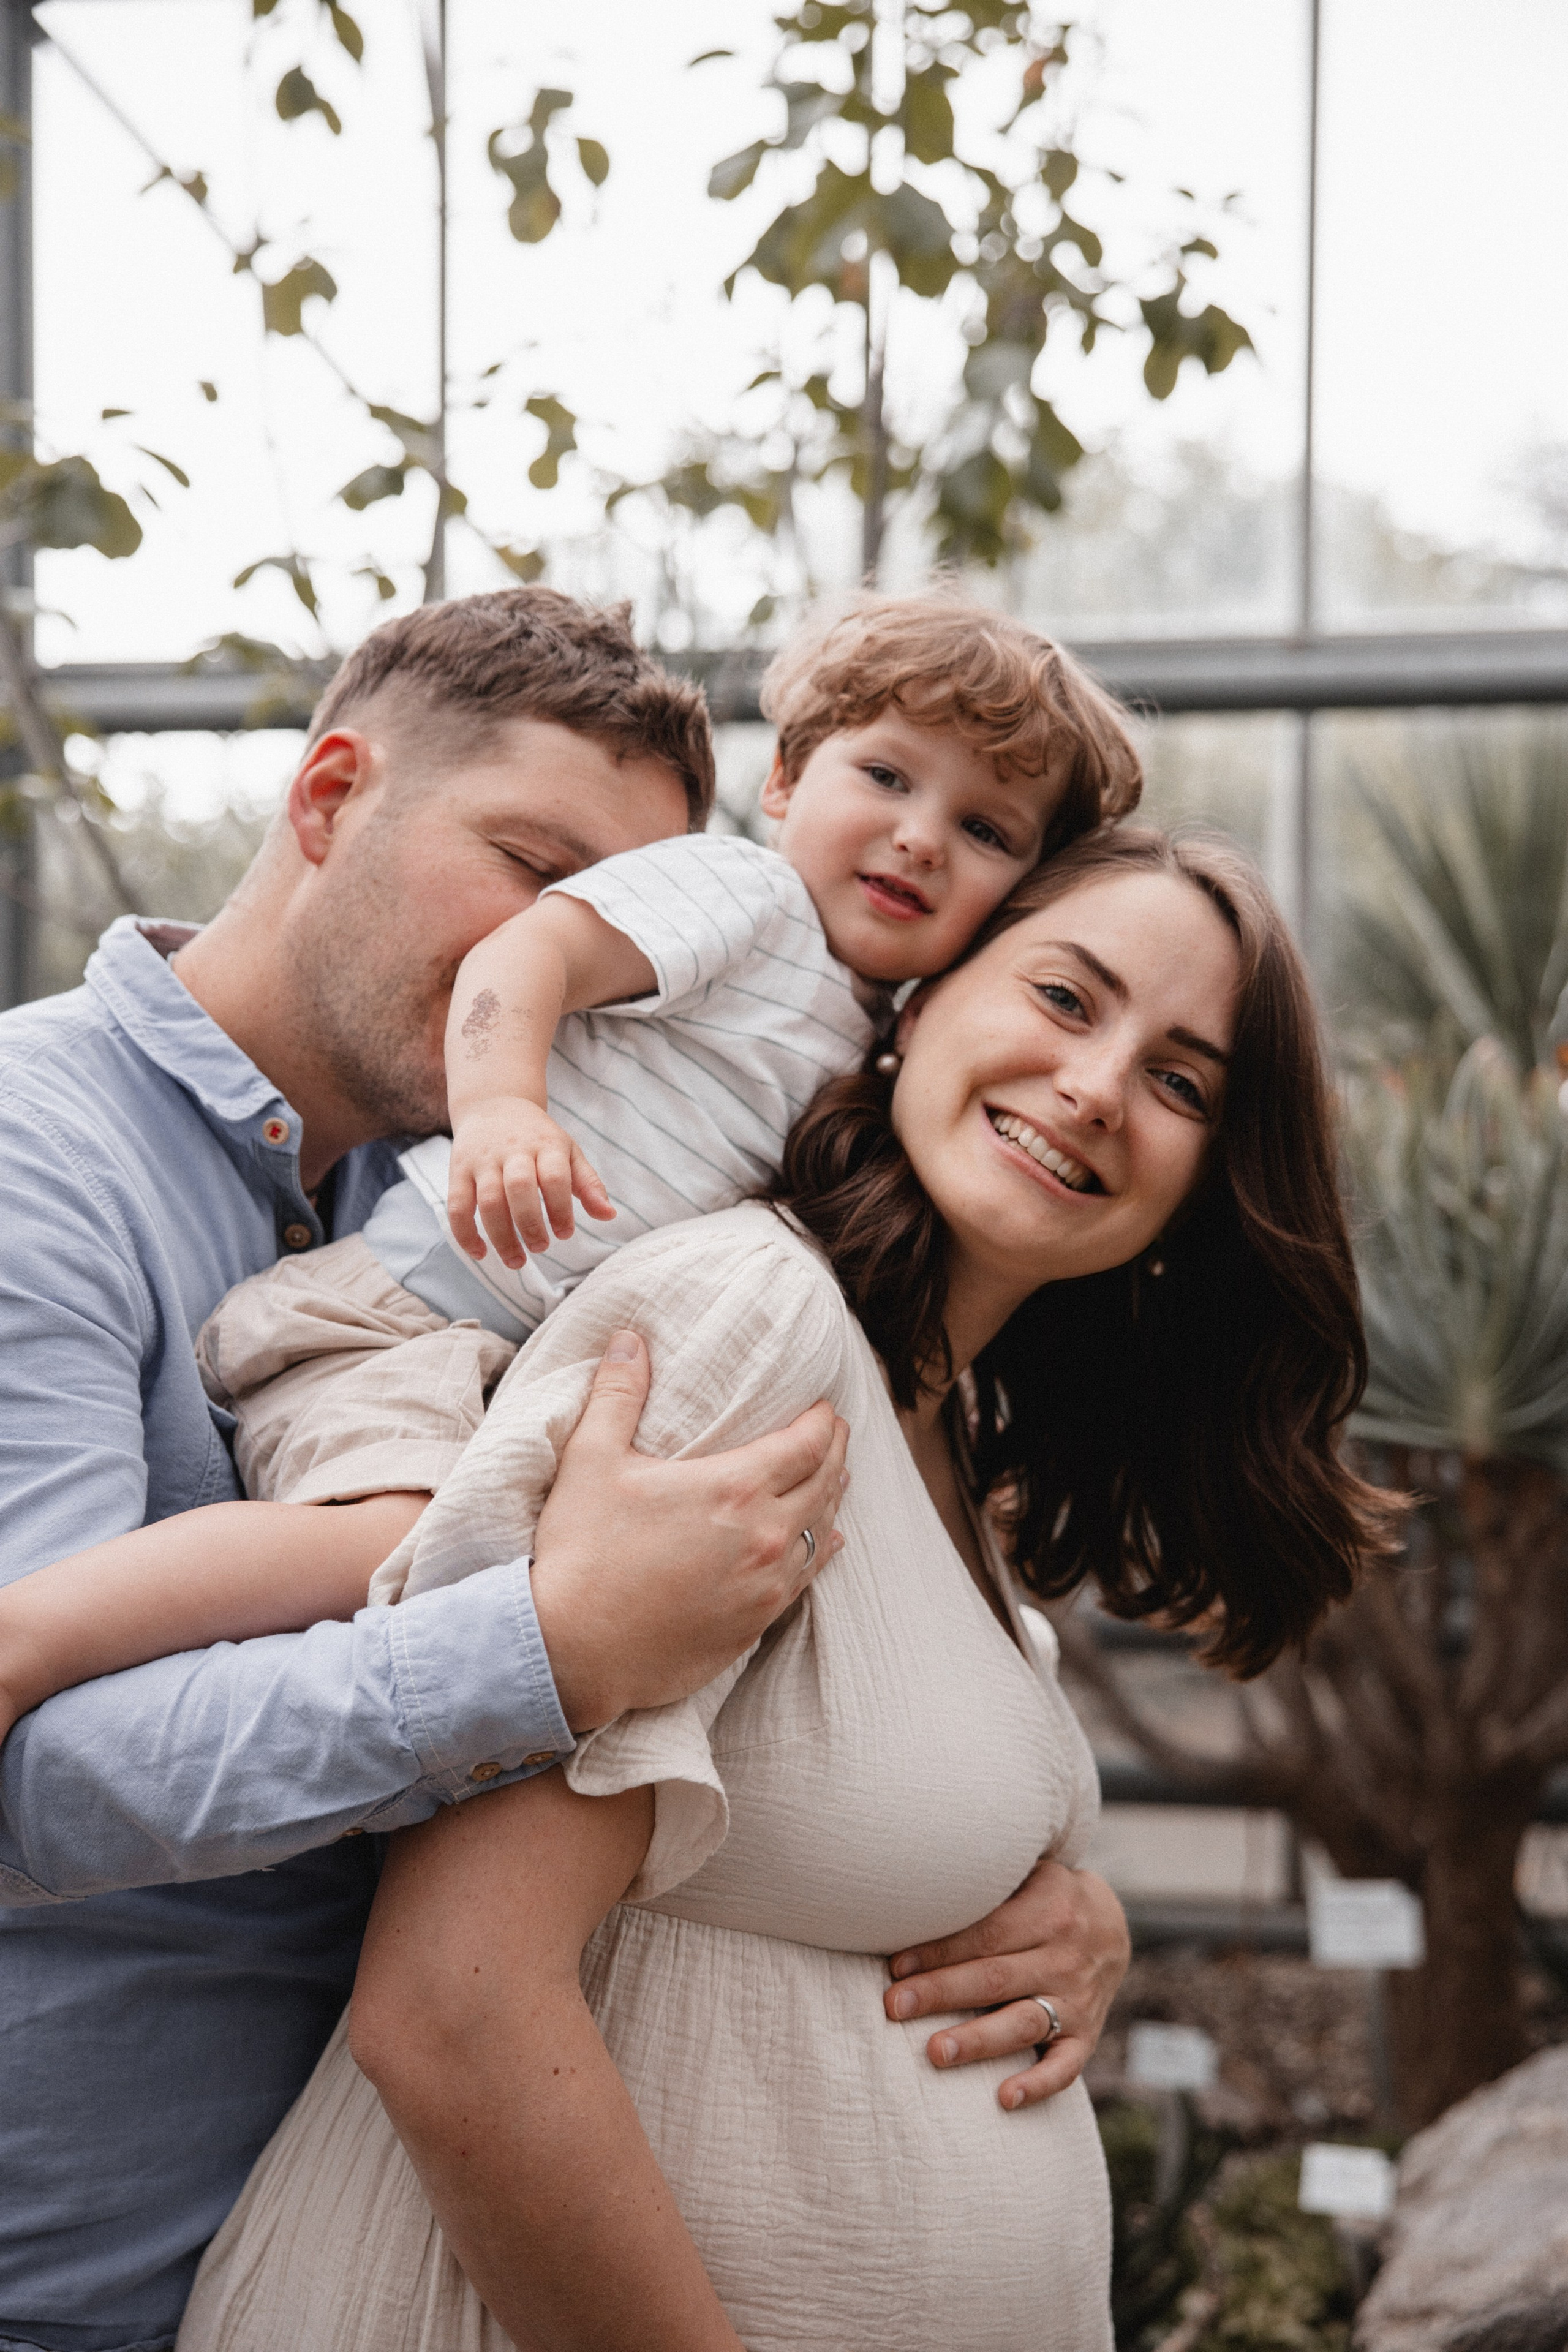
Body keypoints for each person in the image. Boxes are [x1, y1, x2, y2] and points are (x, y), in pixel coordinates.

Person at [0, 589, 1133, 2352]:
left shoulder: (465, 1177)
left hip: (324, 2248)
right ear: (329, 798)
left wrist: (1034, 1897)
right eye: (537, 870)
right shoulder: (39, 1161)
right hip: (76, 2285)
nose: (594, 957)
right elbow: (42, 1791)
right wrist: (552, 1641)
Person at [165, 827, 1402, 2352]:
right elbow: (451, 2008)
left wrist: (1077, 1919)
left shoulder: (941, 1429)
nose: (1095, 1087)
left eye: (1180, 1083)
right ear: (916, 1005)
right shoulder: (756, 1326)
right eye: (1064, 999)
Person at [0, 588, 1143, 1730]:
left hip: (498, 1360)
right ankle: (34, 1634)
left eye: (988, 832)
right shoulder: (744, 898)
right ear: (786, 782)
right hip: (409, 1323)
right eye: (887, 777)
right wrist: (501, 1109)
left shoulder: (877, 1044)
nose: (922, 837)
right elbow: (529, 956)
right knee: (412, 1540)